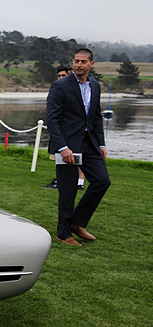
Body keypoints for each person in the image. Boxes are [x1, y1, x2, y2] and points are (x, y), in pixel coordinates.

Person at [46, 48, 111, 246]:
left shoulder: (95, 85)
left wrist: (100, 143)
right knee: (68, 190)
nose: (78, 65)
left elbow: (96, 117)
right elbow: (52, 119)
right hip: (67, 145)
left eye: (83, 61)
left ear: (91, 64)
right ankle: (63, 233)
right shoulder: (60, 86)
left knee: (102, 181)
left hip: (89, 143)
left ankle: (77, 222)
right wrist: (63, 147)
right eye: (76, 61)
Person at [44, 66, 82, 189]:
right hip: (58, 130)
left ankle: (79, 182)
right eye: (59, 76)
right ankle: (59, 180)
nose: (60, 78)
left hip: (73, 131)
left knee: (79, 158)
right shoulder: (57, 88)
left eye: (63, 76)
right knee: (58, 157)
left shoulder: (75, 90)